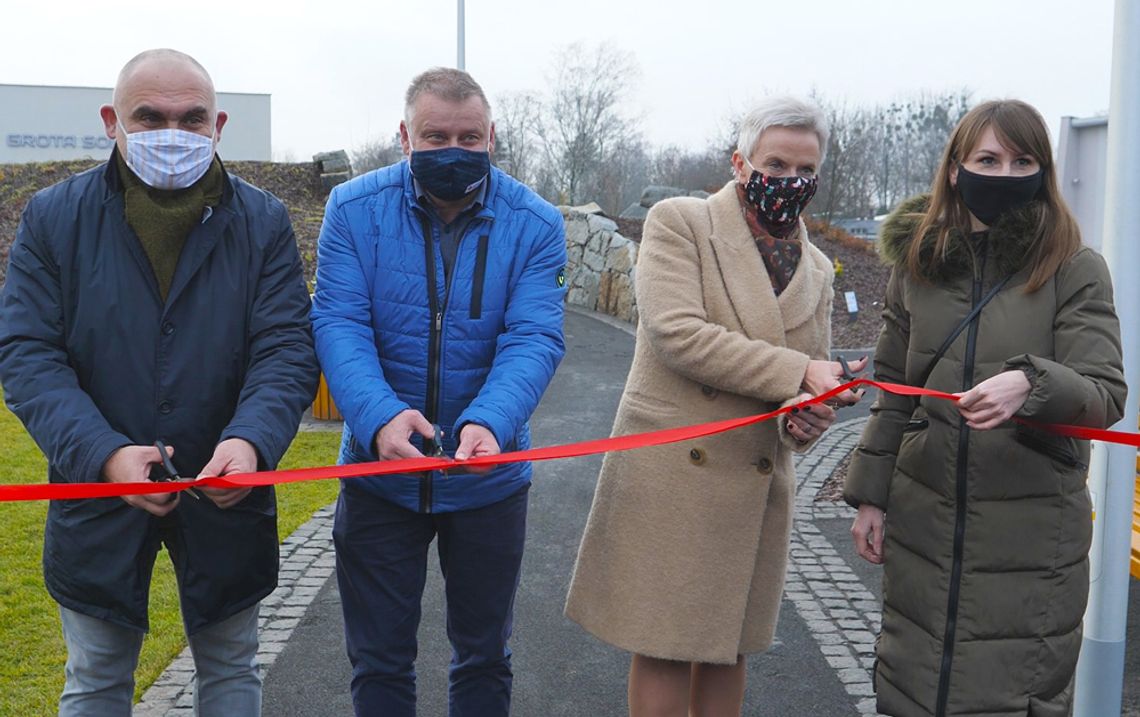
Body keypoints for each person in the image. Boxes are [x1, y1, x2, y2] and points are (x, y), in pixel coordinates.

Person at [0, 49, 318, 716]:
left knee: (232, 670)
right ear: (112, 120)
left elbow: (285, 348)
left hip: (228, 486)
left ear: (218, 123)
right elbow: (28, 354)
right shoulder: (54, 217)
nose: (172, 131)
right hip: (98, 488)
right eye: (150, 117)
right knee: (95, 678)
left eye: (191, 117)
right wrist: (103, 453)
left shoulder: (261, 222)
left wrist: (252, 442)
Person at [564, 96, 867, 717]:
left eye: (803, 169)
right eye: (774, 164)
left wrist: (808, 415)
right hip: (675, 471)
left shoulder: (816, 268)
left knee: (731, 650)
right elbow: (677, 335)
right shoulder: (681, 222)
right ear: (740, 162)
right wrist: (798, 373)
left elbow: (803, 387)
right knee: (666, 647)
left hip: (755, 478)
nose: (789, 182)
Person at [844, 99, 1127, 717]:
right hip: (925, 518)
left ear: (1043, 170)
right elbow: (894, 388)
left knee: (1008, 695)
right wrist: (871, 494)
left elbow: (1104, 392)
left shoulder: (1073, 267)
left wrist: (1033, 382)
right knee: (914, 687)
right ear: (955, 168)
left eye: (1022, 160)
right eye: (988, 159)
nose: (1003, 173)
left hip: (1030, 534)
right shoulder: (917, 264)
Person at [310, 67, 566, 716]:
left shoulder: (535, 222)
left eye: (469, 137)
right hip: (378, 477)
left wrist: (491, 421)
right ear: (404, 136)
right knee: (379, 661)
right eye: (435, 135)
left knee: (484, 656)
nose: (453, 149)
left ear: (492, 137)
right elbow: (340, 323)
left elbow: (533, 336)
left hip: (489, 478)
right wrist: (378, 416)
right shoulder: (352, 208)